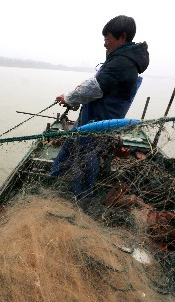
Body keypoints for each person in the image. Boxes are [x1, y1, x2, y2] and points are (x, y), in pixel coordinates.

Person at [50, 15, 149, 198]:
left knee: (86, 154)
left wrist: (69, 98)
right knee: (71, 142)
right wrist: (71, 96)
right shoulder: (120, 57)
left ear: (122, 37)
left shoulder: (123, 62)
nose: (105, 43)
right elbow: (97, 81)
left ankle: (82, 195)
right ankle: (55, 175)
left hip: (100, 117)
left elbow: (96, 86)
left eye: (107, 38)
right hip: (92, 114)